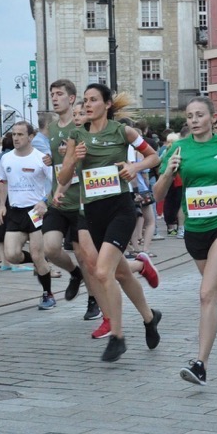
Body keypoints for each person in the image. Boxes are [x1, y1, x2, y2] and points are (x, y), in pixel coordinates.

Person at [154, 97, 217, 386]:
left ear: (212, 118)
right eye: (190, 116)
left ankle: (201, 364)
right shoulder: (177, 149)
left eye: (199, 115)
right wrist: (168, 171)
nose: (194, 120)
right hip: (195, 230)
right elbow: (158, 195)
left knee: (206, 294)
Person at [58, 84, 162, 362]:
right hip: (94, 212)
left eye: (93, 100)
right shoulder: (76, 136)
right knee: (122, 274)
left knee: (103, 271)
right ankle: (150, 317)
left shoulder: (122, 132)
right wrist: (73, 160)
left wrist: (134, 167)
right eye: (85, 100)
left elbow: (154, 156)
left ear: (106, 104)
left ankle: (117, 336)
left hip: (120, 209)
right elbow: (63, 178)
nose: (87, 105)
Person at [39, 80, 92, 318]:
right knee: (50, 248)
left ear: (71, 98)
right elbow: (58, 161)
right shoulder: (51, 128)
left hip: (80, 199)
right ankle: (75, 273)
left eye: (59, 94)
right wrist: (52, 160)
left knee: (84, 255)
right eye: (52, 94)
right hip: (58, 197)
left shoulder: (81, 124)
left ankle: (93, 299)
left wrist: (71, 156)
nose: (54, 98)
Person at [0, 121, 55, 310]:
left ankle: (47, 294)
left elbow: (56, 183)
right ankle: (40, 262)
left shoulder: (41, 158)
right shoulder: (6, 158)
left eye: (20, 134)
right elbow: (2, 181)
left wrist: (45, 201)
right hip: (15, 211)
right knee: (11, 255)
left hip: (35, 211)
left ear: (30, 137)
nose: (16, 138)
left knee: (37, 254)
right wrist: (2, 205)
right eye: (13, 134)